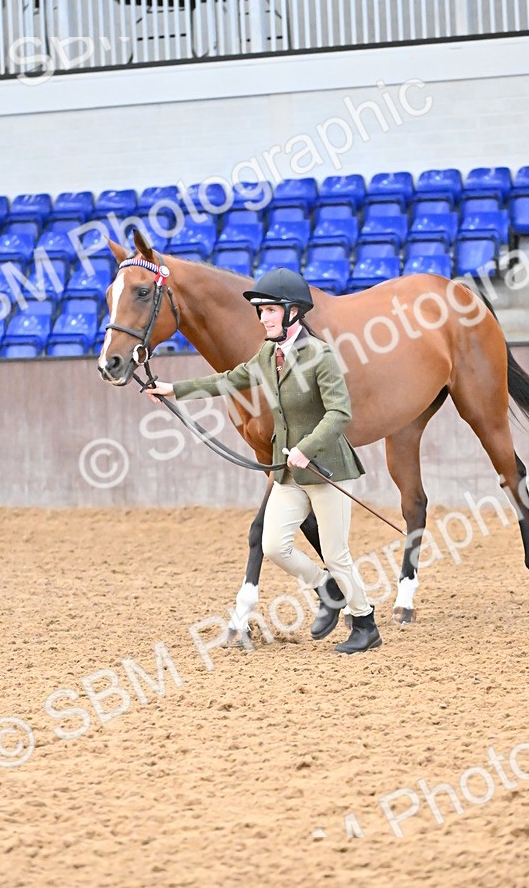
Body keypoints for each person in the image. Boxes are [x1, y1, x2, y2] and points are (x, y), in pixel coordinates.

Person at [146, 268, 381, 655]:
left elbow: (340, 413)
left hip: (326, 468)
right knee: (274, 545)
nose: (263, 317)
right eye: (261, 311)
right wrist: (175, 389)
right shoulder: (269, 353)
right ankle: (326, 587)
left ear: (292, 312)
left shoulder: (319, 355)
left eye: (270, 310)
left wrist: (307, 447)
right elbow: (231, 378)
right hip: (290, 471)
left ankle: (365, 623)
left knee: (337, 553)